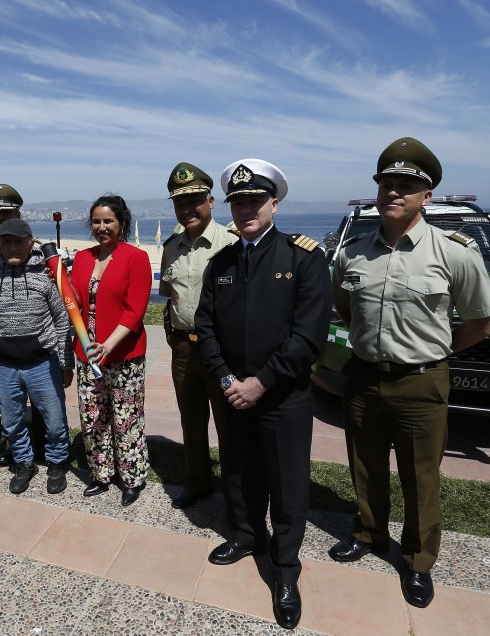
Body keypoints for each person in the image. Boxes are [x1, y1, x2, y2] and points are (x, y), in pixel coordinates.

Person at [329, 137, 490, 609]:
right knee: (364, 465)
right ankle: (368, 533)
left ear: (427, 196)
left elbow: (481, 323)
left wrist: (435, 353)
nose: (393, 193)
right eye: (387, 184)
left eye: (406, 186)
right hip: (363, 376)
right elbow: (344, 309)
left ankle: (419, 561)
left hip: (422, 381)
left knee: (421, 478)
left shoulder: (455, 252)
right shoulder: (353, 253)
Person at [194, 159, 330, 630]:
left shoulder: (304, 258)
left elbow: (308, 336)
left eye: (255, 200)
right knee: (239, 470)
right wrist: (228, 380)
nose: (246, 208)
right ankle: (247, 535)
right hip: (234, 393)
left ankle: (286, 571)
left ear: (275, 202)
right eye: (238, 201)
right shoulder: (222, 262)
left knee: (288, 486)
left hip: (283, 396)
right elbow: (205, 327)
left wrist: (261, 382)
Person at [158, 162, 237, 509]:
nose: (187, 209)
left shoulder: (232, 244)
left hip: (221, 350)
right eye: (180, 203)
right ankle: (198, 482)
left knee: (229, 427)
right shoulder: (171, 247)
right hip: (183, 349)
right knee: (191, 421)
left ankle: (236, 495)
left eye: (194, 201)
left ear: (210, 201)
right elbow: (168, 297)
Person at [0, 218, 73, 494]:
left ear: (31, 242)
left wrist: (66, 364)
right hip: (6, 366)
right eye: (7, 241)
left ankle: (56, 463)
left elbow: (62, 320)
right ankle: (24, 462)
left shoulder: (47, 276)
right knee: (11, 422)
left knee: (54, 421)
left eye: (19, 240)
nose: (13, 246)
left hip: (43, 364)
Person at [71, 194, 152, 506]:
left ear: (121, 223)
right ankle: (101, 474)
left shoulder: (136, 258)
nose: (102, 227)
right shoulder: (82, 258)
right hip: (87, 353)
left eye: (108, 221)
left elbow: (134, 312)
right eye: (96, 221)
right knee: (93, 417)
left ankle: (131, 478)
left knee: (126, 417)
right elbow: (75, 303)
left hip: (123, 354)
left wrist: (108, 345)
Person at [0, 183, 47, 467]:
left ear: (17, 212)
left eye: (7, 212)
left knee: (42, 401)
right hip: (1, 342)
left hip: (37, 341)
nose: (1, 218)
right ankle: (11, 443)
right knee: (8, 401)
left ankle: (40, 447)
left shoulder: (38, 250)